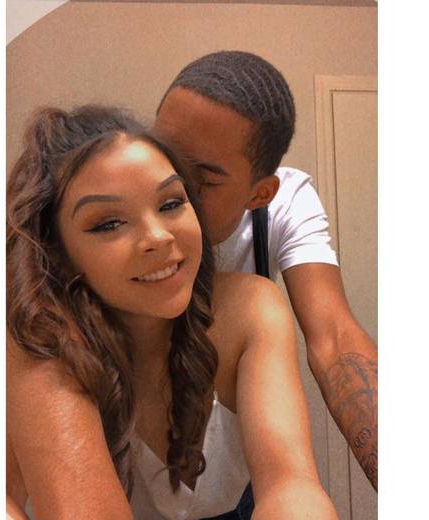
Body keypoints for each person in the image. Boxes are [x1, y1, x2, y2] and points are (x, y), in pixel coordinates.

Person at [6, 104, 344, 520]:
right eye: (107, 223)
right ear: (58, 253)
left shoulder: (252, 309)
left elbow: (289, 484)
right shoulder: (37, 342)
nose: (158, 237)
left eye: (170, 203)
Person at [153, 51, 378, 491]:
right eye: (162, 156)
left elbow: (334, 339)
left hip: (235, 484)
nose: (170, 188)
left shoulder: (286, 203)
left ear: (260, 193)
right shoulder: (110, 188)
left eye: (203, 181)